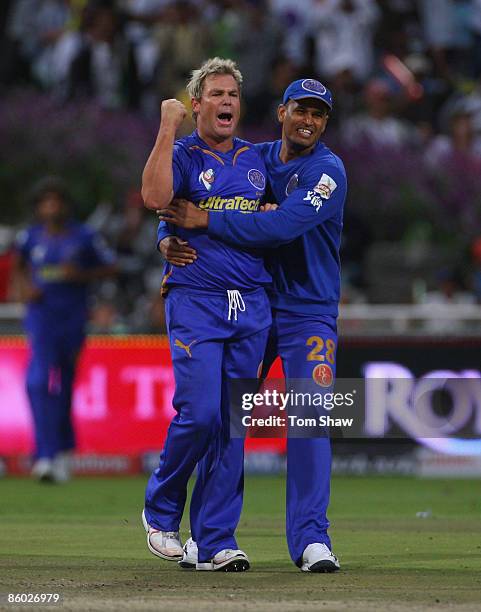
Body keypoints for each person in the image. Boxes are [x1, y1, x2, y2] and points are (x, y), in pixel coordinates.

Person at [158, 77, 347, 573]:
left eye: (319, 114)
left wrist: (205, 224)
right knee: (226, 419)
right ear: (281, 112)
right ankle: (209, 538)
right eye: (301, 110)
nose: (308, 121)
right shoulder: (253, 158)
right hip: (254, 305)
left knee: (310, 420)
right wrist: (166, 236)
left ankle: (312, 540)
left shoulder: (328, 172)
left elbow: (281, 226)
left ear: (325, 123)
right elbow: (198, 198)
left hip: (310, 311)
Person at [141, 57, 272, 571]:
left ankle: (214, 540)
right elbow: (153, 196)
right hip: (196, 298)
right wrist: (167, 124)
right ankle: (160, 513)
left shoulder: (258, 160)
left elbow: (284, 221)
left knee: (233, 426)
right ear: (197, 103)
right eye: (216, 94)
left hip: (251, 304)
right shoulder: (182, 153)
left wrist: (259, 215)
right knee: (200, 413)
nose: (226, 103)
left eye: (233, 96)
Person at [12, 176, 117, 483]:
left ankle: (60, 452)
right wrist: (24, 289)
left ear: (65, 205)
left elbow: (111, 266)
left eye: (56, 201)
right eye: (46, 201)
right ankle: (44, 455)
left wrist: (81, 273)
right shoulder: (30, 237)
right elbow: (18, 266)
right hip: (41, 317)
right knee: (37, 381)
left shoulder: (83, 236)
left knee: (64, 386)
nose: (51, 207)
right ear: (39, 207)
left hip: (72, 319)